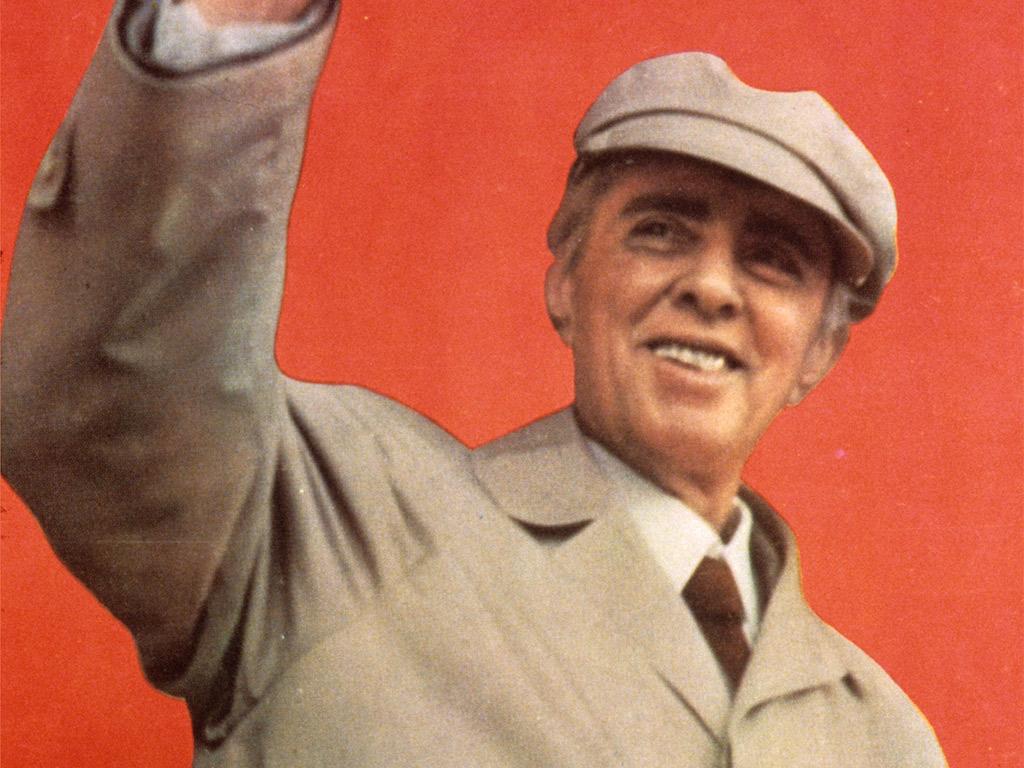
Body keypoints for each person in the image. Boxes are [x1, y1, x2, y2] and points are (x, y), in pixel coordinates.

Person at [1, 0, 946, 765]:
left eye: (773, 260)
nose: (710, 286)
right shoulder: (331, 521)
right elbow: (103, 389)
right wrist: (229, 25)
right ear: (567, 281)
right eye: (661, 229)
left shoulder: (883, 735)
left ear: (818, 352)